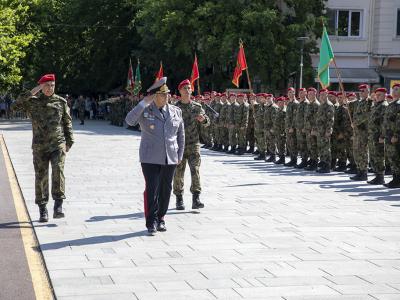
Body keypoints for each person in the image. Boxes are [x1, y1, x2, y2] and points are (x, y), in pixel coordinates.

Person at [125, 77, 184, 235]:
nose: (166, 97)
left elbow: (181, 135)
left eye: (167, 94)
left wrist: (180, 154)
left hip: (170, 156)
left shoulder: (176, 111)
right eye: (162, 94)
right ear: (154, 96)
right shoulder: (145, 109)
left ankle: (161, 217)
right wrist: (143, 102)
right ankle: (151, 221)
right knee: (152, 188)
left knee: (166, 189)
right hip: (150, 157)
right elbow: (129, 120)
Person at [12, 74, 74, 222]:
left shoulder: (61, 102)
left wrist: (69, 142)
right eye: (46, 86)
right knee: (41, 176)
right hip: (39, 146)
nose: (50, 88)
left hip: (57, 144)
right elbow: (15, 106)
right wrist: (32, 92)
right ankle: (42, 208)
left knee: (58, 170)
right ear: (41, 87)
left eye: (52, 85)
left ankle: (58, 205)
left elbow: (67, 122)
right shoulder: (33, 102)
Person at [173, 79, 210, 210]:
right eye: (184, 88)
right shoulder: (175, 108)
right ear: (180, 91)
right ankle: (179, 199)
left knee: (195, 170)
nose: (187, 90)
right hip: (179, 146)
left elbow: (207, 122)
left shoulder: (197, 107)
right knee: (178, 173)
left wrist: (204, 120)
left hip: (194, 144)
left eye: (189, 88)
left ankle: (196, 198)